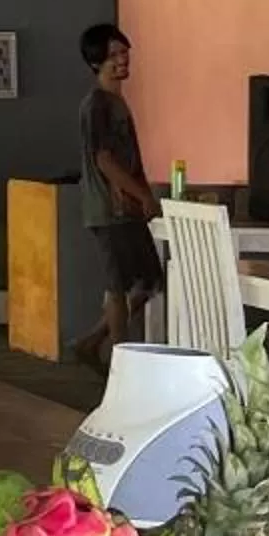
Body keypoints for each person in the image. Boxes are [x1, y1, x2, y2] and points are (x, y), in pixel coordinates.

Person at [73, 21, 162, 369]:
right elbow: (104, 159)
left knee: (148, 280)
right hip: (109, 208)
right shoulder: (97, 105)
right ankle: (121, 359)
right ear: (97, 63)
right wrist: (143, 194)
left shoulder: (115, 102)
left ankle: (93, 340)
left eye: (125, 53)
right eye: (114, 56)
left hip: (126, 208)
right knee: (119, 284)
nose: (122, 60)